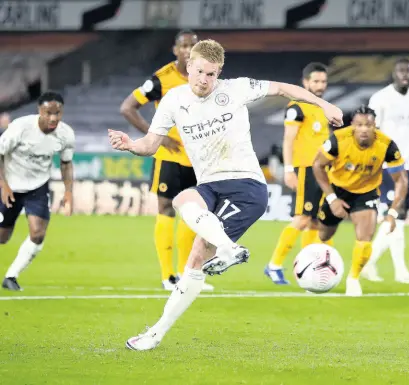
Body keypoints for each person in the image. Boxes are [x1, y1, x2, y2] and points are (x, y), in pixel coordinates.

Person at [108, 39, 343, 350]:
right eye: (201, 72)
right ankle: (158, 331)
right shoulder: (173, 100)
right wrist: (130, 145)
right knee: (182, 207)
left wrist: (324, 104)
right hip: (211, 184)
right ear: (189, 66)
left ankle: (221, 253)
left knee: (193, 246)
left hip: (247, 187)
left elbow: (285, 89)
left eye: (212, 74)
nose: (205, 80)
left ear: (220, 72)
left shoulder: (235, 88)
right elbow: (151, 145)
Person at [120, 30, 212, 291]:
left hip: (197, 159)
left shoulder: (207, 77)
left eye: (192, 45)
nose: (188, 49)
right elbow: (127, 107)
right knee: (166, 209)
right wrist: (156, 136)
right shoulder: (162, 79)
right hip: (169, 157)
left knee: (193, 213)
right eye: (183, 45)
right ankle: (167, 275)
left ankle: (187, 275)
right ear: (176, 50)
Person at [312, 106, 408, 296]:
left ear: (375, 126)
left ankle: (353, 278)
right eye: (359, 125)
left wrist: (393, 212)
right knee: (323, 235)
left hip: (367, 192)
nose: (364, 129)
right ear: (352, 126)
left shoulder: (387, 145)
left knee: (365, 237)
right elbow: (318, 165)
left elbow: (401, 180)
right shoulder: (338, 139)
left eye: (368, 125)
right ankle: (314, 273)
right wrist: (332, 199)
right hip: (337, 189)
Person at [361, 58, 409, 284]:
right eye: (401, 71)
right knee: (396, 214)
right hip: (385, 166)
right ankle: (399, 270)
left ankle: (370, 264)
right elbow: (370, 132)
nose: (405, 75)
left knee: (398, 217)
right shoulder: (380, 98)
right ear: (394, 73)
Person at [265, 62, 331, 285]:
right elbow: (288, 139)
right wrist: (289, 169)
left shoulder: (322, 107)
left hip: (321, 172)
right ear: (305, 83)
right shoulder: (297, 107)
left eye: (323, 81)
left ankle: (309, 266)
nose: (320, 85)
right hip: (304, 169)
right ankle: (274, 265)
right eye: (316, 81)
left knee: (314, 222)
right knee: (302, 219)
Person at [0, 92, 74, 291]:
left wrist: (68, 193)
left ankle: (11, 277)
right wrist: (4, 185)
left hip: (37, 187)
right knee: (2, 237)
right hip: (10, 185)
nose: (53, 118)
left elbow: (66, 164)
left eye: (57, 113)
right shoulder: (20, 128)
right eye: (48, 113)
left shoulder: (66, 134)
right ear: (39, 111)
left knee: (38, 233)